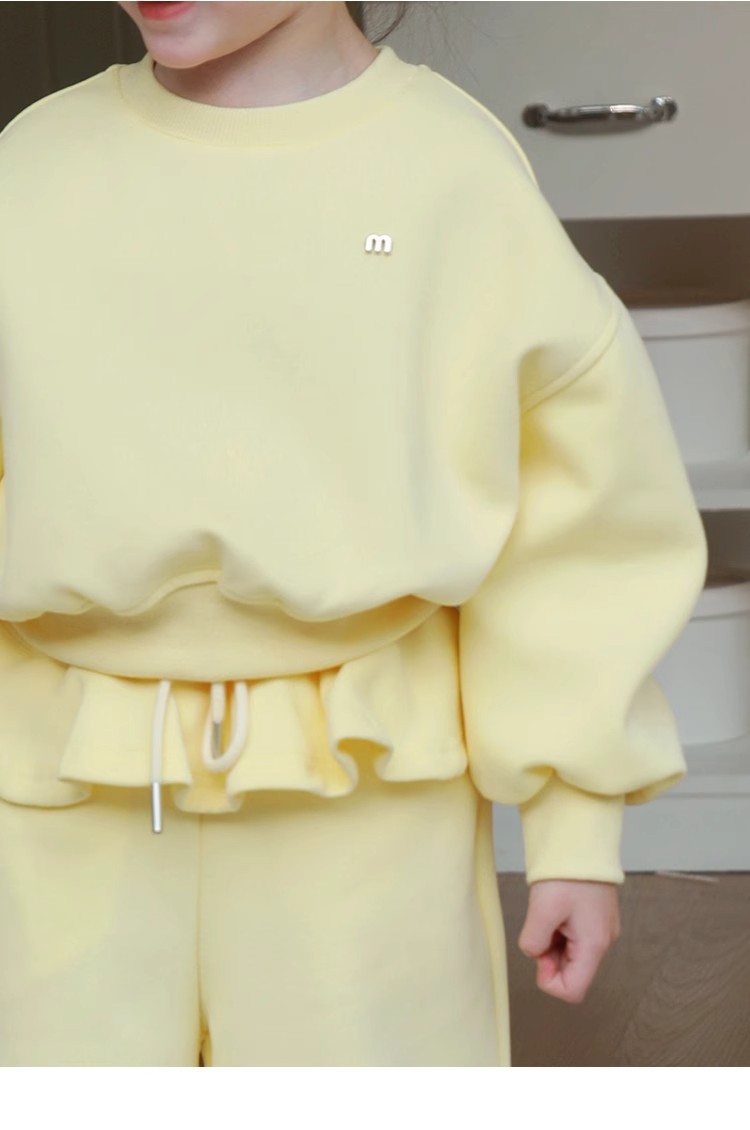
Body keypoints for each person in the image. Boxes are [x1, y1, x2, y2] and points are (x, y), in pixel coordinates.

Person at [0, 1, 707, 1067]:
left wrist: (573, 822)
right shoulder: (31, 167)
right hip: (50, 790)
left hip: (370, 795)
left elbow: (572, 529)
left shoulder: (453, 176)